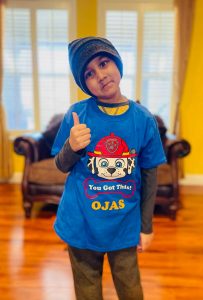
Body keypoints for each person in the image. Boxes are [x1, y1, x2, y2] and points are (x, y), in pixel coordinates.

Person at [51, 36, 166, 300]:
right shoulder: (77, 114)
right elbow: (60, 164)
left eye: (104, 63)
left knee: (130, 289)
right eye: (89, 73)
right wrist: (73, 146)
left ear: (116, 63)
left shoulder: (143, 119)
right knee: (87, 291)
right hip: (80, 223)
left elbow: (150, 177)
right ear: (84, 83)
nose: (100, 75)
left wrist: (146, 227)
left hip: (124, 224)